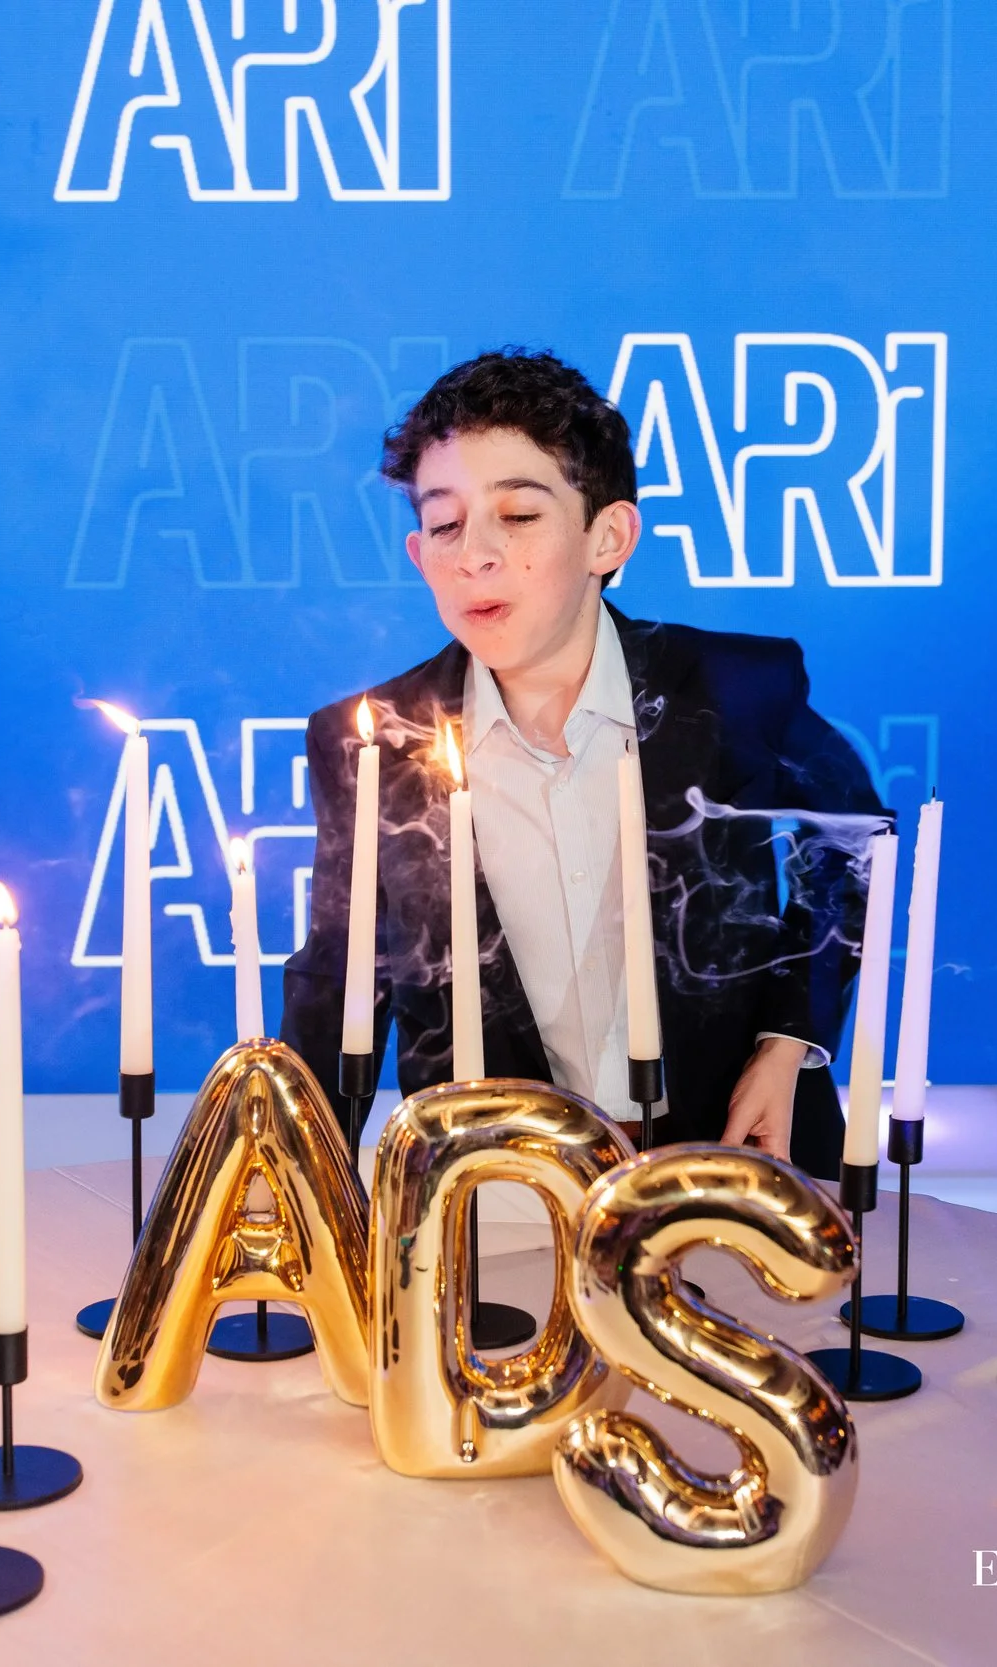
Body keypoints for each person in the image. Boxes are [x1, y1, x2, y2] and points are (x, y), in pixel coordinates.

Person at [278, 349, 884, 1177]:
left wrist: (788, 1043)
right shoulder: (375, 739)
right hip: (494, 1208)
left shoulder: (734, 689)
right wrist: (294, 1175)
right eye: (446, 523)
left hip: (735, 1175)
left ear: (609, 535)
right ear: (420, 554)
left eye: (519, 516)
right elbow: (340, 979)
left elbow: (852, 844)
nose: (476, 555)